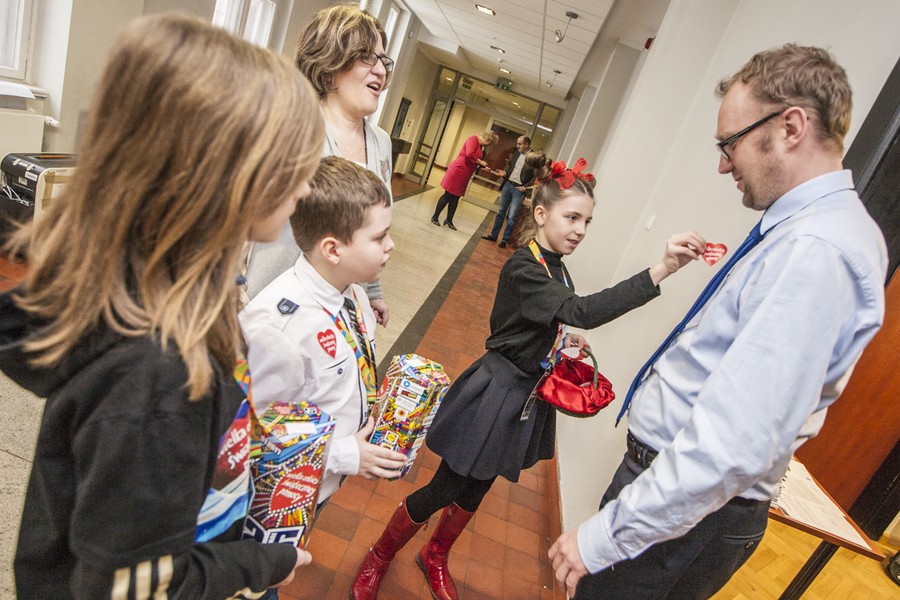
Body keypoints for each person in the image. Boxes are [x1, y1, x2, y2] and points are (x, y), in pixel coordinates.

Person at [0, 14, 325, 599]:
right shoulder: (159, 379)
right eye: (291, 166)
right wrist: (260, 565)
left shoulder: (186, 292)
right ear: (222, 174)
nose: (304, 189)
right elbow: (136, 588)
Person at [549, 45, 889, 600]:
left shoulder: (817, 249)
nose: (723, 163)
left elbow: (737, 439)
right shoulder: (804, 233)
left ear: (791, 127)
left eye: (730, 143)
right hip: (677, 500)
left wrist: (607, 536)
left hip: (687, 512)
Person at [352, 158, 705, 600]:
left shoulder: (556, 265)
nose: (579, 229)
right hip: (495, 391)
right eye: (571, 217)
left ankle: (435, 554)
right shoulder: (526, 266)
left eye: (587, 221)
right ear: (541, 214)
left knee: (480, 485)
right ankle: (380, 554)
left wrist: (561, 346)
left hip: (523, 396)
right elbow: (581, 311)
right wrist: (661, 270)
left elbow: (551, 319)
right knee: (447, 485)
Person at [245, 5, 394, 327]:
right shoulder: (292, 127)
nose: (380, 70)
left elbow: (373, 227)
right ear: (330, 62)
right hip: (276, 308)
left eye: (383, 60)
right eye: (367, 56)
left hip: (336, 310)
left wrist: (373, 291)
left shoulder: (381, 143)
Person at [431, 131, 498, 230]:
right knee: (448, 195)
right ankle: (435, 217)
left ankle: (449, 220)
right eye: (489, 143)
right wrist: (480, 162)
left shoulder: (480, 146)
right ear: (487, 139)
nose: (488, 145)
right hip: (458, 171)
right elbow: (469, 154)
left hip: (464, 174)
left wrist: (482, 166)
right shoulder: (473, 139)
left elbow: (473, 161)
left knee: (456, 198)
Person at [482, 135, 536, 247]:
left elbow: (535, 177)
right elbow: (511, 166)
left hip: (519, 189)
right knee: (501, 212)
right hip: (508, 185)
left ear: (526, 145)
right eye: (517, 143)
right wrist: (505, 173)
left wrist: (525, 187)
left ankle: (504, 240)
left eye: (520, 144)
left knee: (511, 217)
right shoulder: (516, 153)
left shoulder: (533, 157)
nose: (517, 146)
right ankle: (493, 235)